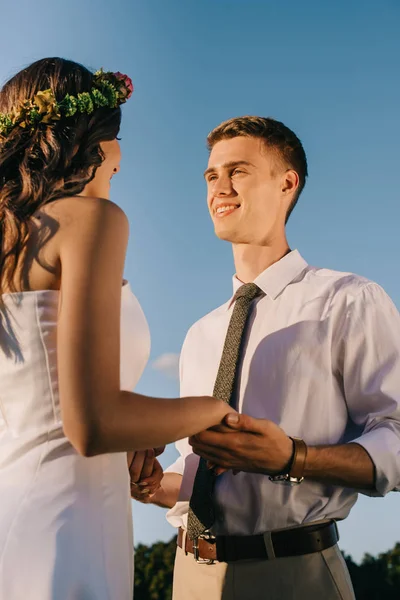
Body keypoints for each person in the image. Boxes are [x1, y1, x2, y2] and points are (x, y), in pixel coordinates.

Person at [133, 116, 400, 599]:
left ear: (286, 183)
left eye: (238, 171)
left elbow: (397, 439)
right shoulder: (200, 333)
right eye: (212, 175)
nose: (220, 186)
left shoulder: (349, 300)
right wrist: (155, 485)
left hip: (294, 573)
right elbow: (198, 470)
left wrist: (293, 458)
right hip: (188, 576)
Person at [0, 58, 234, 600]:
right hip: (63, 522)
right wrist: (214, 411)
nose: (121, 160)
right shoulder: (91, 221)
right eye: (115, 136)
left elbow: (40, 401)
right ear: (86, 141)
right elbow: (92, 423)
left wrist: (141, 432)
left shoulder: (13, 238)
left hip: (21, 501)